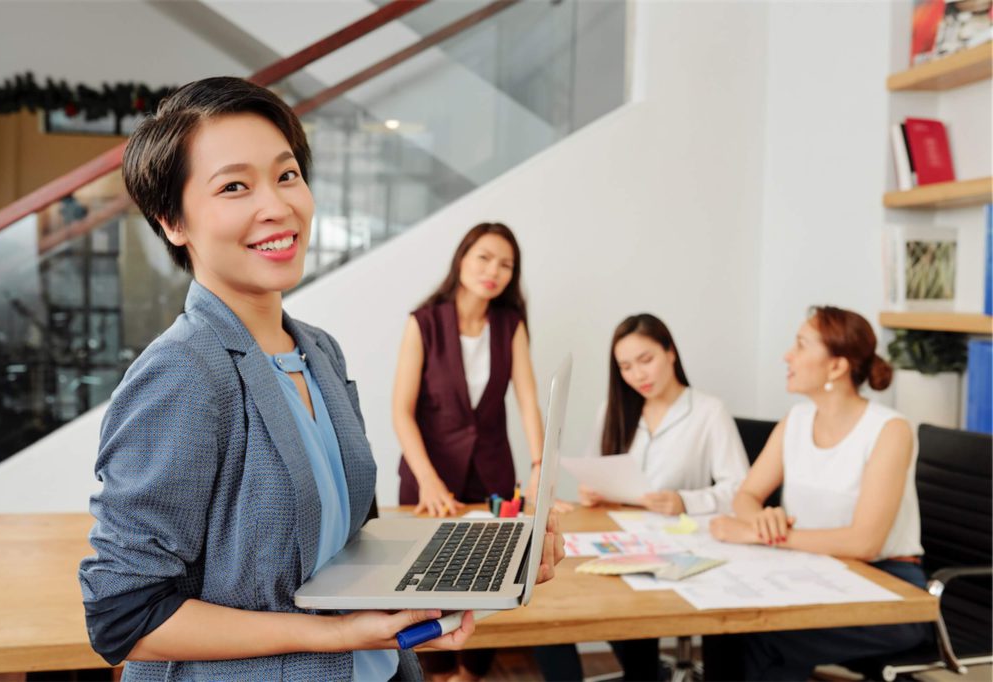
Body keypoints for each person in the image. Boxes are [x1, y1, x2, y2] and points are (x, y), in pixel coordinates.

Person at [77, 77, 565, 681]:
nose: (278, 206)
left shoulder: (318, 352)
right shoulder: (182, 373)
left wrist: (471, 560)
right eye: (234, 186)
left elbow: (344, 543)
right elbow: (125, 616)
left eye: (287, 175)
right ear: (172, 221)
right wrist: (335, 633)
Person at [709, 305, 929, 681]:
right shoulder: (795, 421)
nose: (787, 356)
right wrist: (761, 519)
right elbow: (746, 496)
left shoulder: (890, 430)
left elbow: (865, 543)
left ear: (836, 366)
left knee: (761, 637)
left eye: (800, 345)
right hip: (815, 573)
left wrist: (762, 536)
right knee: (725, 626)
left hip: (889, 591)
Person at [392, 221, 568, 681]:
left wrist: (537, 468)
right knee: (428, 587)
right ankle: (436, 670)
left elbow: (529, 401)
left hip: (490, 474)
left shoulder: (510, 325)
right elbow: (401, 412)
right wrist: (428, 479)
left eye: (506, 264)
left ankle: (470, 672)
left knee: (487, 582)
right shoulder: (424, 322)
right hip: (429, 480)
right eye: (484, 258)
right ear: (462, 259)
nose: (494, 270)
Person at [537, 313, 749, 681]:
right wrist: (592, 490)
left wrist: (684, 500)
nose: (638, 375)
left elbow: (741, 491)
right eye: (626, 367)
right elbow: (596, 468)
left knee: (624, 614)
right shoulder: (615, 409)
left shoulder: (708, 412)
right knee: (549, 604)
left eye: (646, 360)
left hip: (677, 545)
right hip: (617, 539)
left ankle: (643, 670)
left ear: (670, 352)